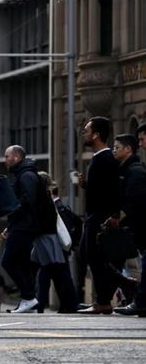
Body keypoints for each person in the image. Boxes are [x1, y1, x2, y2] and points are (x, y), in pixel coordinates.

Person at [77, 117, 134, 314]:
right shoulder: (98, 158)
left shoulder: (105, 159)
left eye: (87, 130)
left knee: (95, 257)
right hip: (94, 214)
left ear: (96, 134)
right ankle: (115, 290)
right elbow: (101, 189)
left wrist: (113, 215)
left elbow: (112, 191)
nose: (83, 133)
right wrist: (87, 185)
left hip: (100, 217)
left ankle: (106, 298)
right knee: (89, 255)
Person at [0, 145, 39, 313]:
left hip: (24, 227)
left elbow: (28, 200)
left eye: (7, 156)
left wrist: (13, 210)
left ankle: (29, 297)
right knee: (22, 263)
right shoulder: (21, 174)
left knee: (8, 262)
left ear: (16, 157)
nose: (5, 160)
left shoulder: (26, 175)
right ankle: (28, 300)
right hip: (21, 225)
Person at [31, 172, 78, 314]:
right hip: (53, 244)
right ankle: (65, 304)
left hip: (53, 243)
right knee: (53, 276)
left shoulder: (47, 201)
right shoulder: (47, 200)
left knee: (53, 275)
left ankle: (47, 304)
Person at [111, 134, 146, 317]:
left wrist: (120, 217)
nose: (114, 150)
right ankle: (140, 303)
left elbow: (135, 202)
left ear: (128, 149)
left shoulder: (135, 171)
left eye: (117, 147)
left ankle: (140, 303)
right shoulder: (127, 169)